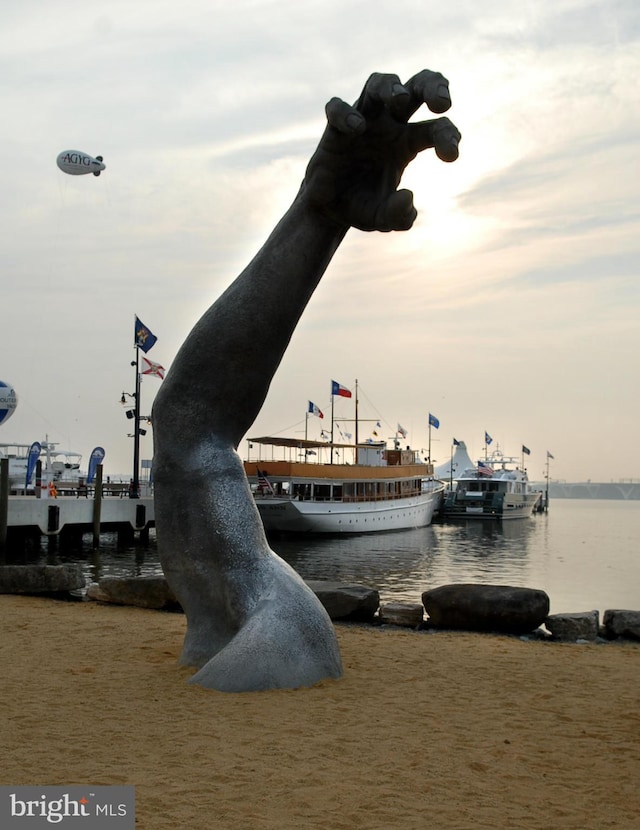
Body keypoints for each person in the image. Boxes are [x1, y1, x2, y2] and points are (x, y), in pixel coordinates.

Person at [152, 70, 461, 692]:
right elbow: (186, 424)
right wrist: (314, 217)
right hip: (250, 623)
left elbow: (190, 423)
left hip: (277, 634)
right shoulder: (262, 603)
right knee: (181, 433)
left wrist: (315, 219)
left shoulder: (284, 623)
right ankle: (209, 631)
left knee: (183, 432)